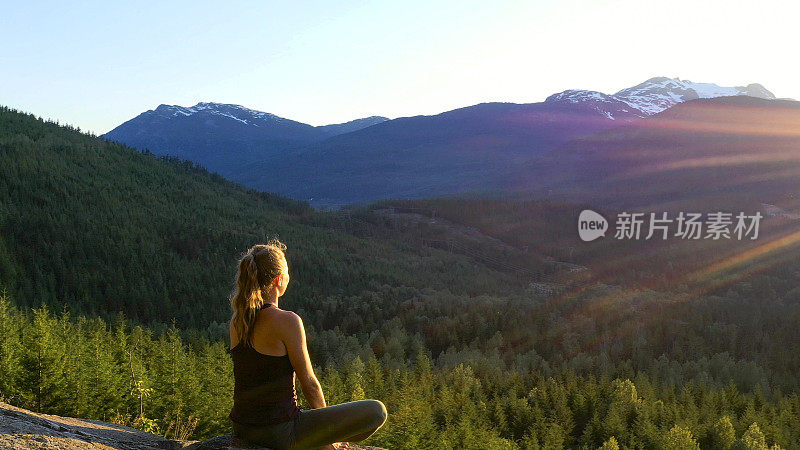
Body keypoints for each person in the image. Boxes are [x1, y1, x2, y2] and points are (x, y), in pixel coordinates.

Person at [227, 240, 387, 450]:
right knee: (377, 411)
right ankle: (315, 443)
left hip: (243, 427)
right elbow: (309, 383)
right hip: (281, 432)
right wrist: (328, 436)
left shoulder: (238, 321)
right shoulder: (288, 321)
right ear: (279, 279)